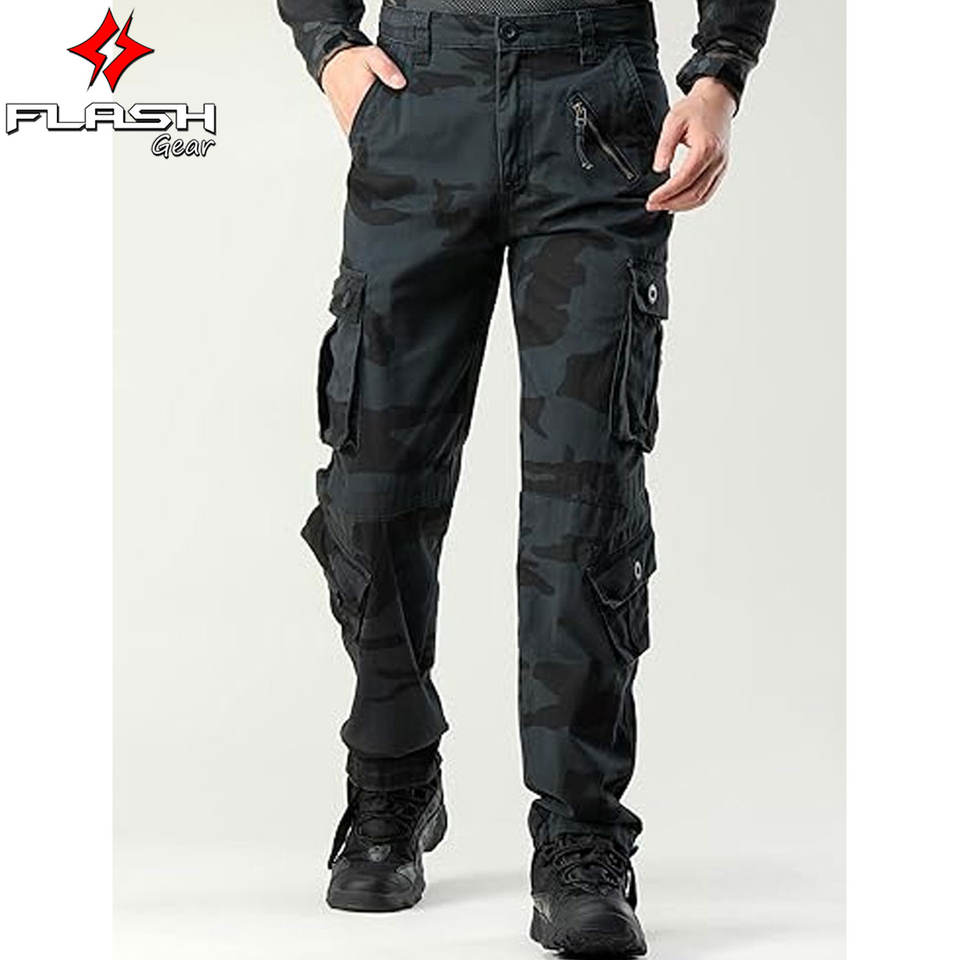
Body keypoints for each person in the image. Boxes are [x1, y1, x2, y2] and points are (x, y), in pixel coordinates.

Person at [278, 0, 774, 953]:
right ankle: (391, 773)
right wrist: (329, 44)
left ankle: (582, 836)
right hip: (422, 94)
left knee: (583, 497)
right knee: (373, 480)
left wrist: (721, 72)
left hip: (596, 102)